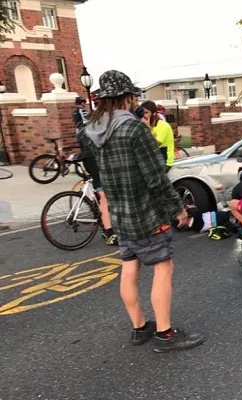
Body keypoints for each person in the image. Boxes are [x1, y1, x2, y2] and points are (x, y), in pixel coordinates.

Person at [79, 70, 204, 353]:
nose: (136, 101)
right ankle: (165, 333)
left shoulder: (90, 131)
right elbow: (156, 177)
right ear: (125, 97)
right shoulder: (134, 129)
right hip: (147, 213)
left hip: (120, 213)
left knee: (129, 267)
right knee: (163, 268)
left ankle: (139, 327)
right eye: (134, 96)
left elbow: (92, 164)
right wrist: (178, 209)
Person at [74, 98, 118, 246]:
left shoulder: (91, 120)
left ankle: (107, 226)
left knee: (102, 195)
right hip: (94, 159)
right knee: (104, 196)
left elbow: (81, 136)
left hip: (88, 158)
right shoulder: (103, 121)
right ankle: (110, 233)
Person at [140, 101, 175, 172]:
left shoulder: (163, 126)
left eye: (146, 112)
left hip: (165, 161)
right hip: (152, 160)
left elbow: (154, 145)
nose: (144, 115)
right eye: (142, 112)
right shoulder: (143, 125)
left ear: (154, 114)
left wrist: (147, 129)